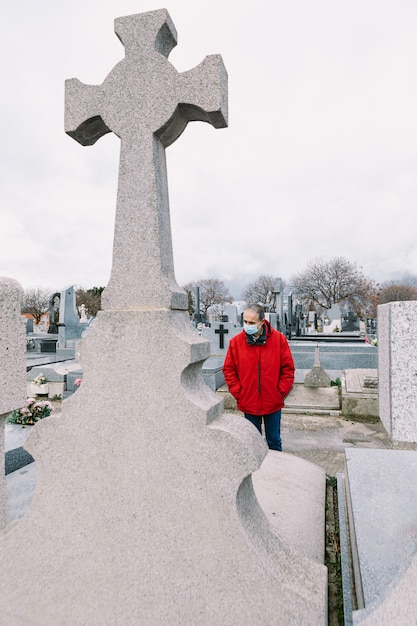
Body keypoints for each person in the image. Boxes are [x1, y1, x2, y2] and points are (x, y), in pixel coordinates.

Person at [223, 303, 295, 451]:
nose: (247, 325)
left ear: (262, 322)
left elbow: (288, 369)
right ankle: (256, 474)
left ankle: (275, 472)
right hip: (248, 401)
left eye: (251, 322)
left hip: (272, 402)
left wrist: (280, 392)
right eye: (245, 322)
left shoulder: (279, 340)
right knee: (252, 443)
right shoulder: (236, 343)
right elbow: (229, 370)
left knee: (274, 441)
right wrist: (239, 393)